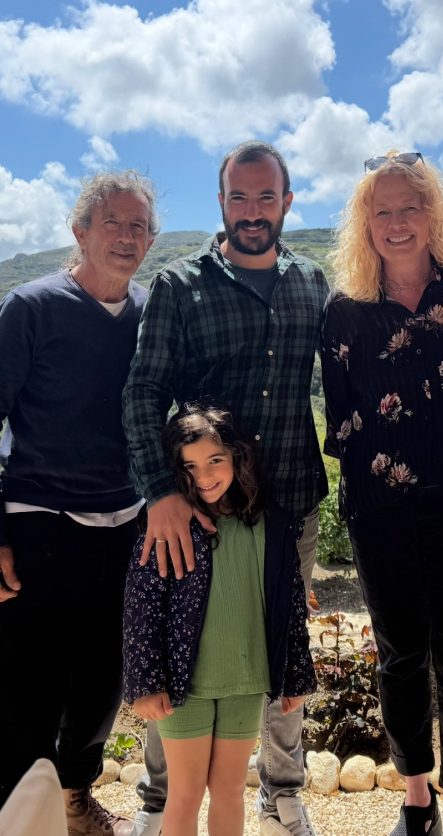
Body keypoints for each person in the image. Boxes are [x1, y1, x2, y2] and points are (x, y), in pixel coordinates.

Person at [121, 140, 328, 836]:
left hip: (287, 502)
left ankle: (283, 790)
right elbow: (143, 390)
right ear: (220, 203)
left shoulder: (311, 282)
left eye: (265, 197)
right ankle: (159, 800)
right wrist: (162, 492)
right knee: (180, 641)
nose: (251, 211)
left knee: (276, 641)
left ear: (287, 202)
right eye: (238, 197)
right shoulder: (182, 286)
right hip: (197, 508)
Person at [321, 151, 443, 836]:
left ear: (433, 214)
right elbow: (341, 417)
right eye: (382, 210)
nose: (396, 222)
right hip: (380, 508)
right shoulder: (343, 312)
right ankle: (416, 794)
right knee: (399, 655)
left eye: (409, 207)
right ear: (363, 223)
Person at [0, 171, 158, 834]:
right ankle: (20, 812)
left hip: (123, 522)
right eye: (113, 223)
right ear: (80, 232)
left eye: (139, 226)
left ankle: (73, 798)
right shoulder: (31, 307)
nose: (127, 237)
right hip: (39, 520)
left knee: (102, 678)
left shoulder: (150, 312)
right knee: (30, 682)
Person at [123, 403, 316, 836]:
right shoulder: (167, 528)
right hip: (181, 688)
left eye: (215, 461)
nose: (204, 475)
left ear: (236, 458)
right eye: (189, 466)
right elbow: (141, 609)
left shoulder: (271, 526)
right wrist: (145, 683)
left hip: (245, 682)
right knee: (185, 793)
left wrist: (296, 676)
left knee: (229, 791)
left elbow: (290, 608)